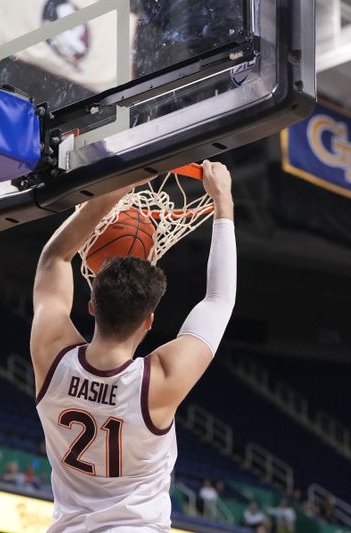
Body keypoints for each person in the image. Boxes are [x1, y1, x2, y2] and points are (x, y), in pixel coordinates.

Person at [30, 161, 236, 532]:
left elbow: (54, 258)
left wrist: (113, 192)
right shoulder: (159, 381)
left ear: (91, 305)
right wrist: (224, 202)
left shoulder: (52, 354)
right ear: (149, 321)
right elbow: (219, 300)